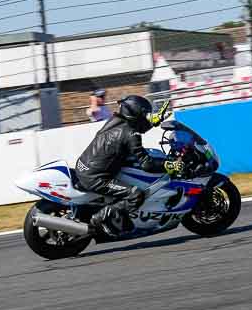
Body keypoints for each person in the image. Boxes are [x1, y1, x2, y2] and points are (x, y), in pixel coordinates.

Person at [75, 95, 183, 236]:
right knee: (136, 194)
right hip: (95, 177)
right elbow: (146, 164)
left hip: (84, 166)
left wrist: (153, 122)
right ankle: (100, 217)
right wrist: (169, 165)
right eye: (145, 114)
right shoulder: (131, 133)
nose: (147, 117)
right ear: (136, 113)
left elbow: (134, 129)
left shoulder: (116, 120)